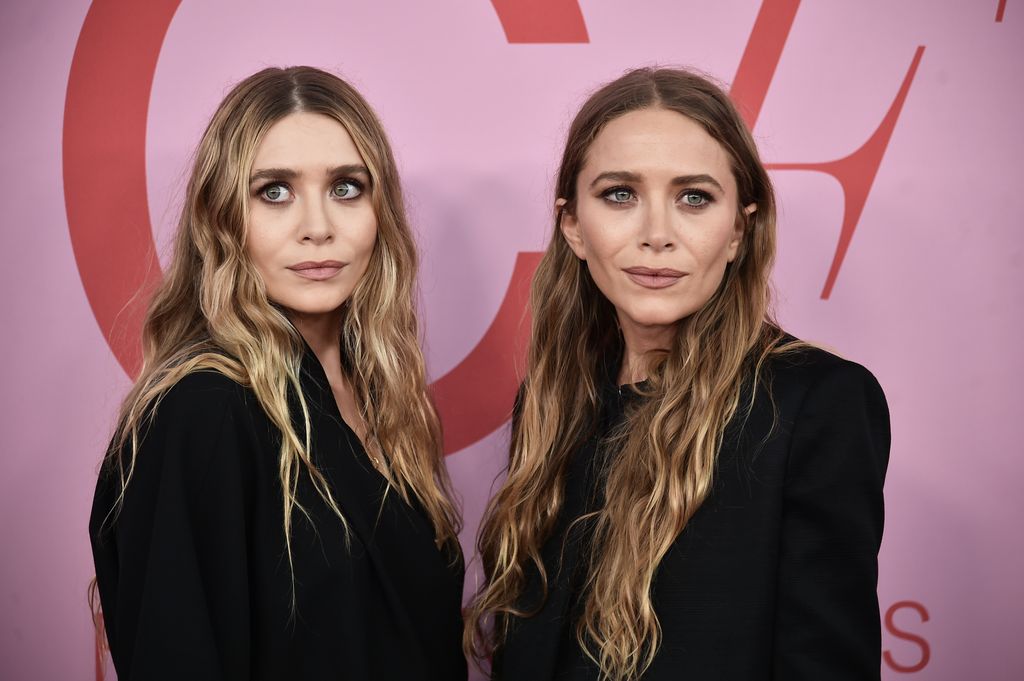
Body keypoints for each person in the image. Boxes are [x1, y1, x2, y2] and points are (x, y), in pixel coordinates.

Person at [465, 67, 891, 680]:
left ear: (739, 230)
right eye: (619, 195)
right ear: (573, 227)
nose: (657, 235)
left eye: (694, 197)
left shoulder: (816, 404)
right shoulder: (550, 401)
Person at [89, 66, 467, 680]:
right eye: (274, 191)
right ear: (222, 219)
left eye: (347, 187)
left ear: (381, 213)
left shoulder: (382, 397)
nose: (317, 227)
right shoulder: (203, 410)